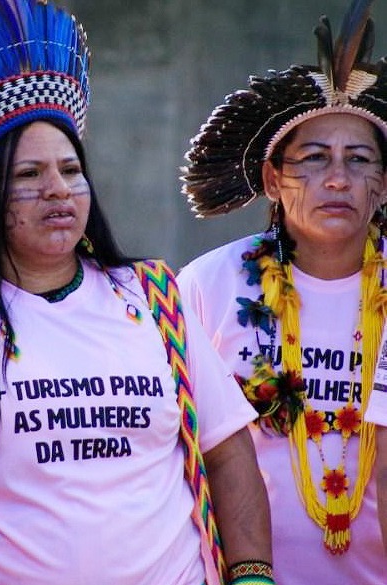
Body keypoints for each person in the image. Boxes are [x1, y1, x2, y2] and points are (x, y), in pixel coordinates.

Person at [0, 1, 273, 584]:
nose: (59, 190)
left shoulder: (154, 299)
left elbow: (227, 450)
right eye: (29, 175)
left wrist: (252, 574)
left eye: (71, 171)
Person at [177, 1, 387, 583]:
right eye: (314, 159)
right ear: (272, 179)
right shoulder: (209, 284)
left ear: (384, 182)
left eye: (359, 159)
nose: (338, 178)